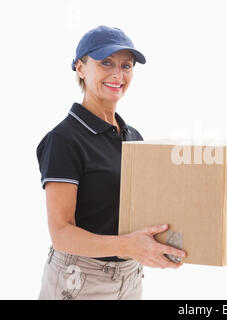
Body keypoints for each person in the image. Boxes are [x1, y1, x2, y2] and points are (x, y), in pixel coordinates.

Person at [36, 25, 186, 300]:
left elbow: (139, 210)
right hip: (79, 279)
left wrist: (165, 243)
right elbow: (61, 233)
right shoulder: (64, 139)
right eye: (106, 63)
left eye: (126, 66)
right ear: (81, 67)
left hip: (131, 276)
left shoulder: (133, 137)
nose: (118, 75)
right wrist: (129, 246)